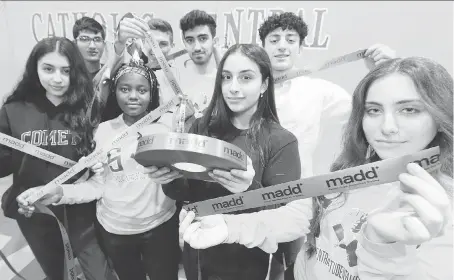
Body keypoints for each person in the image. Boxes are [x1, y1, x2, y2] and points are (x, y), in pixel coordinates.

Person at [179, 56, 453, 280]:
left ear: (441, 116)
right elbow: (300, 217)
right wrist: (228, 225)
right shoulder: (351, 170)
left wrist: (383, 248)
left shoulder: (442, 208)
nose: (388, 127)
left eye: (409, 110)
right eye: (374, 110)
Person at [144, 43, 301, 280]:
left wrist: (249, 190)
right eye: (226, 77)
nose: (233, 88)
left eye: (246, 78)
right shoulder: (202, 127)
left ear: (264, 85)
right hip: (199, 249)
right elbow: (188, 190)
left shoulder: (282, 141)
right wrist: (168, 179)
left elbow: (284, 217)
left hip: (250, 258)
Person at [16, 57, 181, 280]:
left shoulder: (165, 129)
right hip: (116, 232)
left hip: (161, 226)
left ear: (152, 94)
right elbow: (97, 186)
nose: (133, 96)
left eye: (142, 90)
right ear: (115, 92)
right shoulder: (101, 132)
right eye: (125, 89)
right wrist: (59, 193)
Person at [257, 12, 396, 276]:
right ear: (263, 46)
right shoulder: (250, 87)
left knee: (291, 267)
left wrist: (382, 73)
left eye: (290, 39)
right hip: (249, 193)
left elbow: (366, 111)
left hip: (295, 198)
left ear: (300, 47)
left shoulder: (319, 91)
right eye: (274, 39)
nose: (282, 45)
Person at [0, 37, 115, 280]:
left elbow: (105, 156)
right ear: (35, 69)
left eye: (66, 70)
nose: (57, 79)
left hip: (83, 212)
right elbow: (3, 164)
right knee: (58, 273)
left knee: (99, 273)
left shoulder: (90, 106)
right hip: (35, 212)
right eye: (48, 69)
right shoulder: (13, 110)